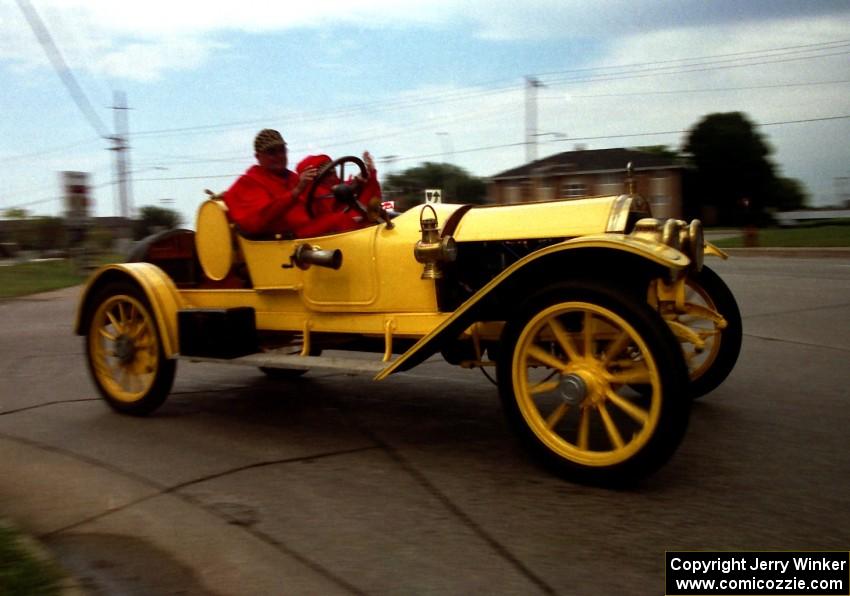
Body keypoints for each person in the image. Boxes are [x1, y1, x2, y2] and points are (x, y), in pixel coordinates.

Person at [223, 129, 357, 238]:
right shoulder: (248, 183)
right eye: (272, 152)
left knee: (362, 221)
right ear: (258, 157)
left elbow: (322, 203)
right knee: (339, 221)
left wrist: (354, 187)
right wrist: (296, 192)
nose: (279, 156)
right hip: (281, 240)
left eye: (282, 150)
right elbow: (259, 220)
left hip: (303, 234)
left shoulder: (293, 178)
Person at [295, 151, 383, 226]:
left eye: (332, 167)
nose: (333, 172)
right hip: (332, 231)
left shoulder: (344, 185)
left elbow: (374, 198)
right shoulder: (313, 194)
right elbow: (327, 208)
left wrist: (368, 174)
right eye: (328, 172)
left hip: (362, 223)